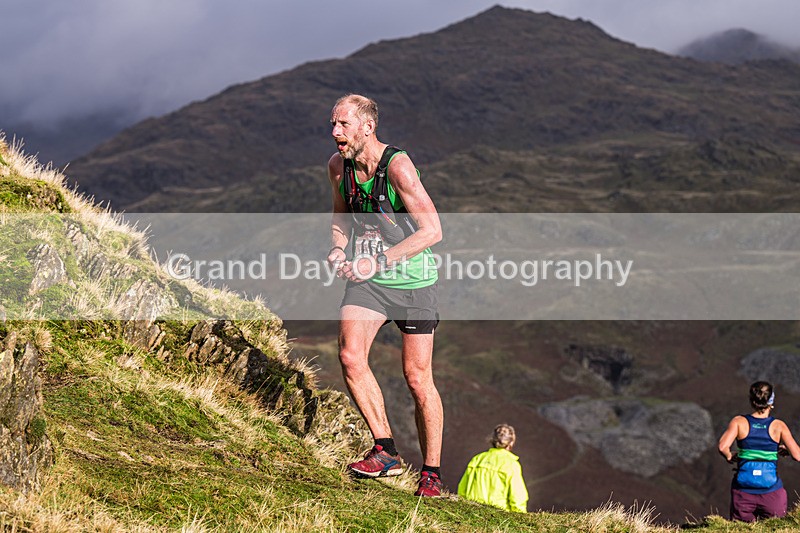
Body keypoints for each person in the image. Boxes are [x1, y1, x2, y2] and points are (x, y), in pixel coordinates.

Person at [326, 94, 444, 497]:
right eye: (333, 124)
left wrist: (377, 261)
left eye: (343, 124)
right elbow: (341, 216)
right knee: (349, 355)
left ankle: (431, 472)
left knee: (416, 378)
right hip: (369, 283)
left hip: (413, 282)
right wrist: (339, 248)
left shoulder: (398, 168)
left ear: (367, 127)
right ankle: (385, 450)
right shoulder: (337, 168)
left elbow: (433, 231)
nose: (335, 132)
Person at [718, 381, 800, 522]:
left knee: (741, 530)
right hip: (771, 493)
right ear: (771, 401)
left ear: (752, 400)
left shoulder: (739, 422)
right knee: (776, 527)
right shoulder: (778, 426)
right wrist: (786, 450)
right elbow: (797, 456)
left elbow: (722, 446)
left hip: (743, 493)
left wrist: (729, 455)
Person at [457, 424, 529, 513]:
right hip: (499, 514)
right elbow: (517, 495)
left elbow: (462, 489)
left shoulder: (477, 459)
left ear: (492, 439)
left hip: (472, 511)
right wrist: (521, 516)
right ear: (511, 442)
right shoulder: (512, 464)